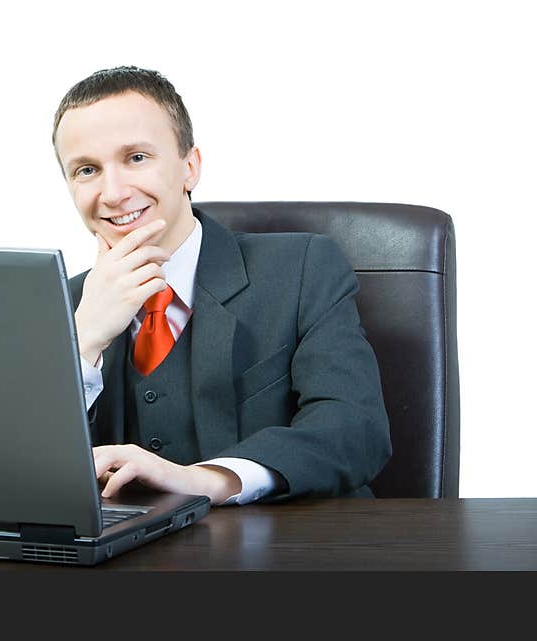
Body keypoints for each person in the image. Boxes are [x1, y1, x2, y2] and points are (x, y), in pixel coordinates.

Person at [52, 66, 391, 506]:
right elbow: (12, 467)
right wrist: (85, 342)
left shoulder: (302, 268)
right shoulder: (60, 306)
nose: (113, 192)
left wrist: (208, 479)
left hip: (286, 553)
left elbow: (356, 429)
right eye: (86, 170)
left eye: (136, 158)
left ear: (189, 168)